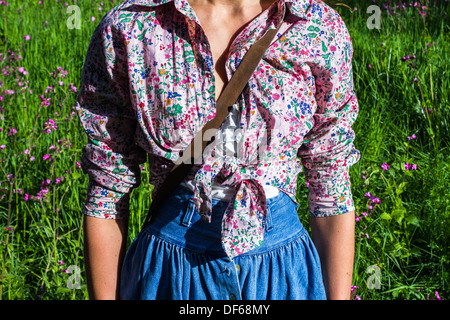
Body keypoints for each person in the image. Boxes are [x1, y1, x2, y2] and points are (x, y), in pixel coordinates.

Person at [76, 0, 360, 300]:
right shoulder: (132, 26)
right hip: (170, 274)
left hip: (284, 275)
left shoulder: (315, 26)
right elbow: (107, 190)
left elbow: (330, 182)